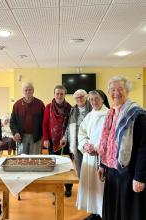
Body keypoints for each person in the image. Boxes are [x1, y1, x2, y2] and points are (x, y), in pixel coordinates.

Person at [98, 75, 146, 220]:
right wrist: (102, 165)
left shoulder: (136, 114)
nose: (116, 93)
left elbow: (143, 148)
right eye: (112, 89)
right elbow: (108, 142)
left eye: (120, 89)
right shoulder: (111, 112)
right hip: (111, 170)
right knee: (113, 209)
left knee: (127, 211)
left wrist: (140, 177)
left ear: (127, 91)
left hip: (129, 172)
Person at [76, 90, 109, 220]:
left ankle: (103, 213)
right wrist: (85, 145)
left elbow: (110, 138)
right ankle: (94, 212)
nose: (93, 102)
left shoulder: (109, 115)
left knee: (101, 186)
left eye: (96, 98)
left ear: (103, 99)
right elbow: (82, 133)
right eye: (91, 99)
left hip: (102, 157)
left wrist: (96, 148)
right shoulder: (90, 115)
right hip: (89, 156)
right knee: (91, 186)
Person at [43, 85, 72, 196]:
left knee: (66, 165)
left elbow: (70, 125)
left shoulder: (69, 107)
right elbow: (45, 124)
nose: (59, 96)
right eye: (57, 94)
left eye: (61, 94)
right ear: (54, 94)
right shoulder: (48, 107)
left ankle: (68, 187)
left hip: (66, 141)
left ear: (65, 94)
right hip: (52, 140)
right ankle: (55, 187)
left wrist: (67, 138)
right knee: (53, 165)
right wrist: (45, 138)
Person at [61, 89, 92, 179]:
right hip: (76, 141)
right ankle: (81, 185)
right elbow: (69, 126)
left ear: (86, 97)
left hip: (88, 141)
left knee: (89, 164)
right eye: (77, 98)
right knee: (79, 165)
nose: (79, 99)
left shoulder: (92, 108)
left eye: (81, 97)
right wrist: (65, 137)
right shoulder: (73, 109)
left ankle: (89, 186)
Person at [10, 82, 45, 155]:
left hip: (36, 136)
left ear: (33, 91)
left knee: (35, 159)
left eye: (30, 90)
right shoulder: (17, 105)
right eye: (25, 90)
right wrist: (15, 132)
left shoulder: (40, 104)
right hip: (22, 137)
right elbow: (12, 122)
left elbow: (44, 121)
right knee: (22, 159)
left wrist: (43, 136)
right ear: (23, 91)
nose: (28, 92)